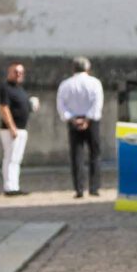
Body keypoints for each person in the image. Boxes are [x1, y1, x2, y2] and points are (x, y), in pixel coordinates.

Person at [58, 54, 105, 198]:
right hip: (91, 121)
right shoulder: (95, 83)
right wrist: (88, 119)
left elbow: (61, 105)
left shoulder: (66, 84)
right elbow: (97, 103)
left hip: (74, 120)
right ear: (88, 68)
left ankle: (79, 189)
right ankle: (94, 188)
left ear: (73, 68)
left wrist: (72, 119)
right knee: (95, 155)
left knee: (76, 155)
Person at [0, 60, 32, 195]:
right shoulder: (5, 88)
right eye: (16, 72)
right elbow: (4, 108)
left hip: (21, 128)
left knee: (16, 159)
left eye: (21, 72)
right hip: (11, 129)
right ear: (9, 72)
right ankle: (9, 187)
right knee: (10, 158)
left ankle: (14, 185)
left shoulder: (19, 89)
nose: (18, 74)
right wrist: (11, 127)